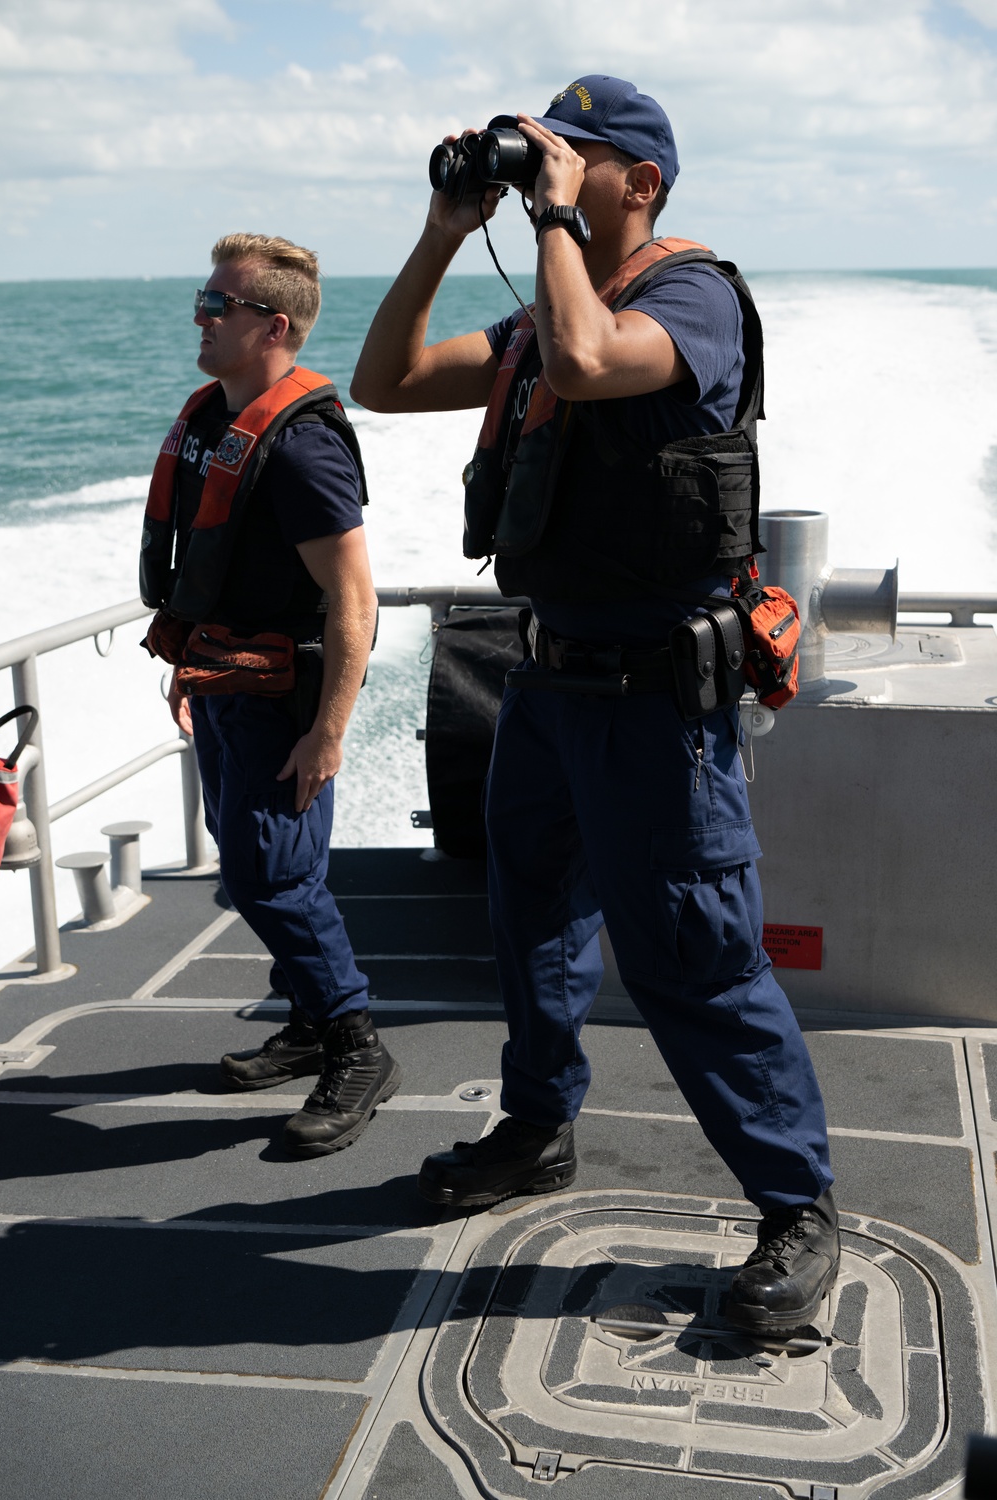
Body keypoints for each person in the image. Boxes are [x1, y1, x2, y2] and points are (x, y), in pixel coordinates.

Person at [352, 77, 838, 1333]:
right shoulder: (542, 317)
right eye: (544, 155)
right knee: (532, 927)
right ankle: (533, 1130)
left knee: (693, 960)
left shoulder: (696, 300)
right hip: (547, 684)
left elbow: (585, 356)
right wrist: (450, 228)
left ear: (643, 183)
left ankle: (795, 1204)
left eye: (580, 157)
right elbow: (386, 377)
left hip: (655, 706)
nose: (549, 170)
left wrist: (554, 216)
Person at [140, 232, 400, 1157]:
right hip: (222, 682)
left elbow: (352, 601)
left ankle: (354, 1045)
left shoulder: (302, 452)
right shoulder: (214, 420)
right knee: (269, 865)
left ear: (273, 327)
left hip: (283, 695)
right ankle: (306, 1019)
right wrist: (188, 662)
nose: (201, 318)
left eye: (219, 306)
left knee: (266, 873)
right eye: (203, 300)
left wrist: (329, 733)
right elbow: (212, 570)